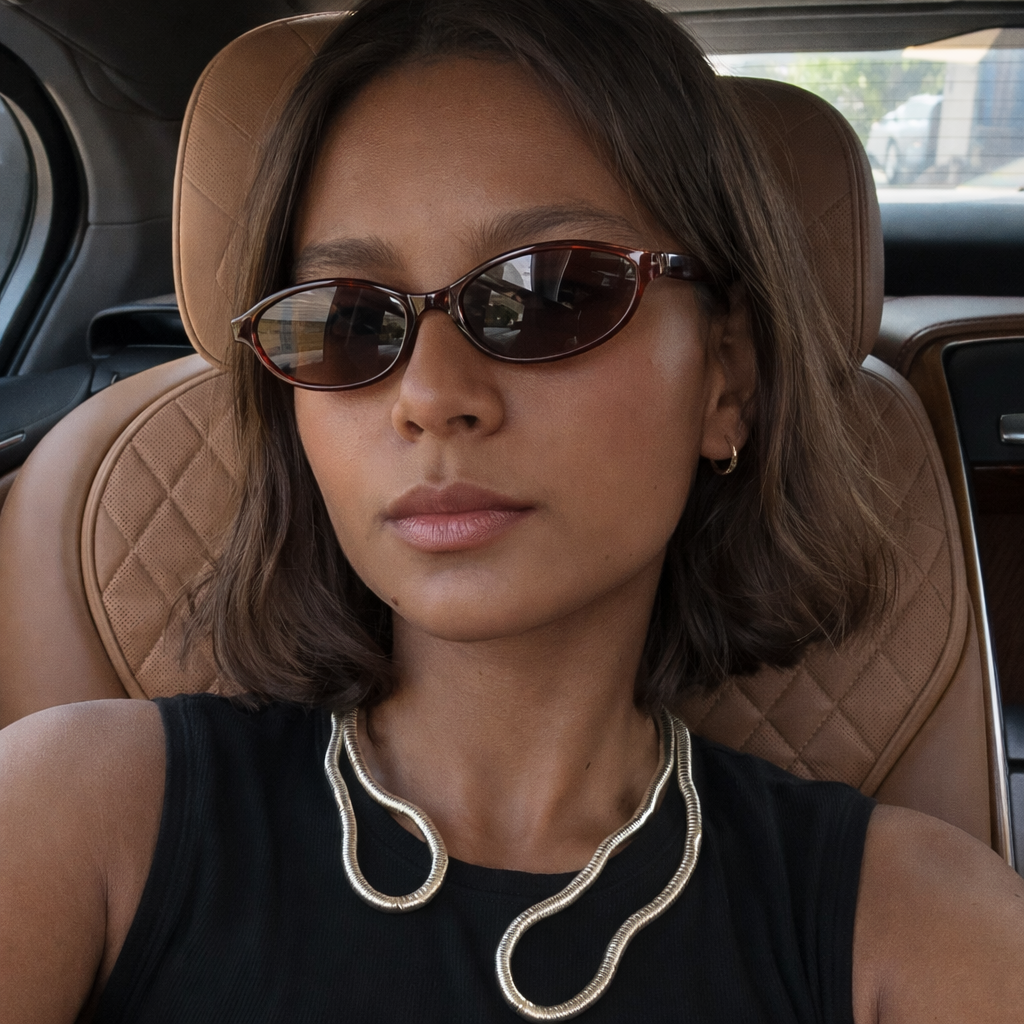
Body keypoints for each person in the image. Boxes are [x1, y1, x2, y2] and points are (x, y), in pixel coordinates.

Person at [2, 0, 1023, 1021]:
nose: (430, 393)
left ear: (725, 381)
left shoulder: (916, 926)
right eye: (349, 320)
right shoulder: (74, 810)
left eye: (549, 294)